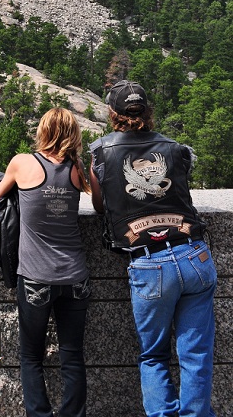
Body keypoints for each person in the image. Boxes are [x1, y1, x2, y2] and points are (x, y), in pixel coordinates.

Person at [89, 80, 217, 417]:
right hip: (194, 253)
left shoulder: (101, 153)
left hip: (149, 262)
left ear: (112, 114)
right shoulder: (176, 148)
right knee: (196, 353)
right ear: (148, 111)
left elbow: (100, 206)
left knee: (154, 355)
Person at [0, 108, 92, 417]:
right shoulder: (78, 168)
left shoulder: (22, 162)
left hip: (35, 277)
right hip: (75, 276)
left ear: (43, 131)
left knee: (31, 356)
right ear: (73, 133)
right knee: (72, 356)